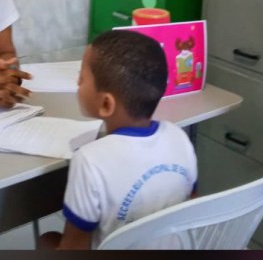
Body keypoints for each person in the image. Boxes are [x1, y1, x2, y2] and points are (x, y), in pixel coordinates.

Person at [39, 30, 197, 249]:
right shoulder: (179, 138)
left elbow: (74, 248)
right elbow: (191, 210)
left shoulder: (89, 160)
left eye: (82, 78)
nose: (77, 82)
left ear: (106, 104)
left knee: (46, 241)